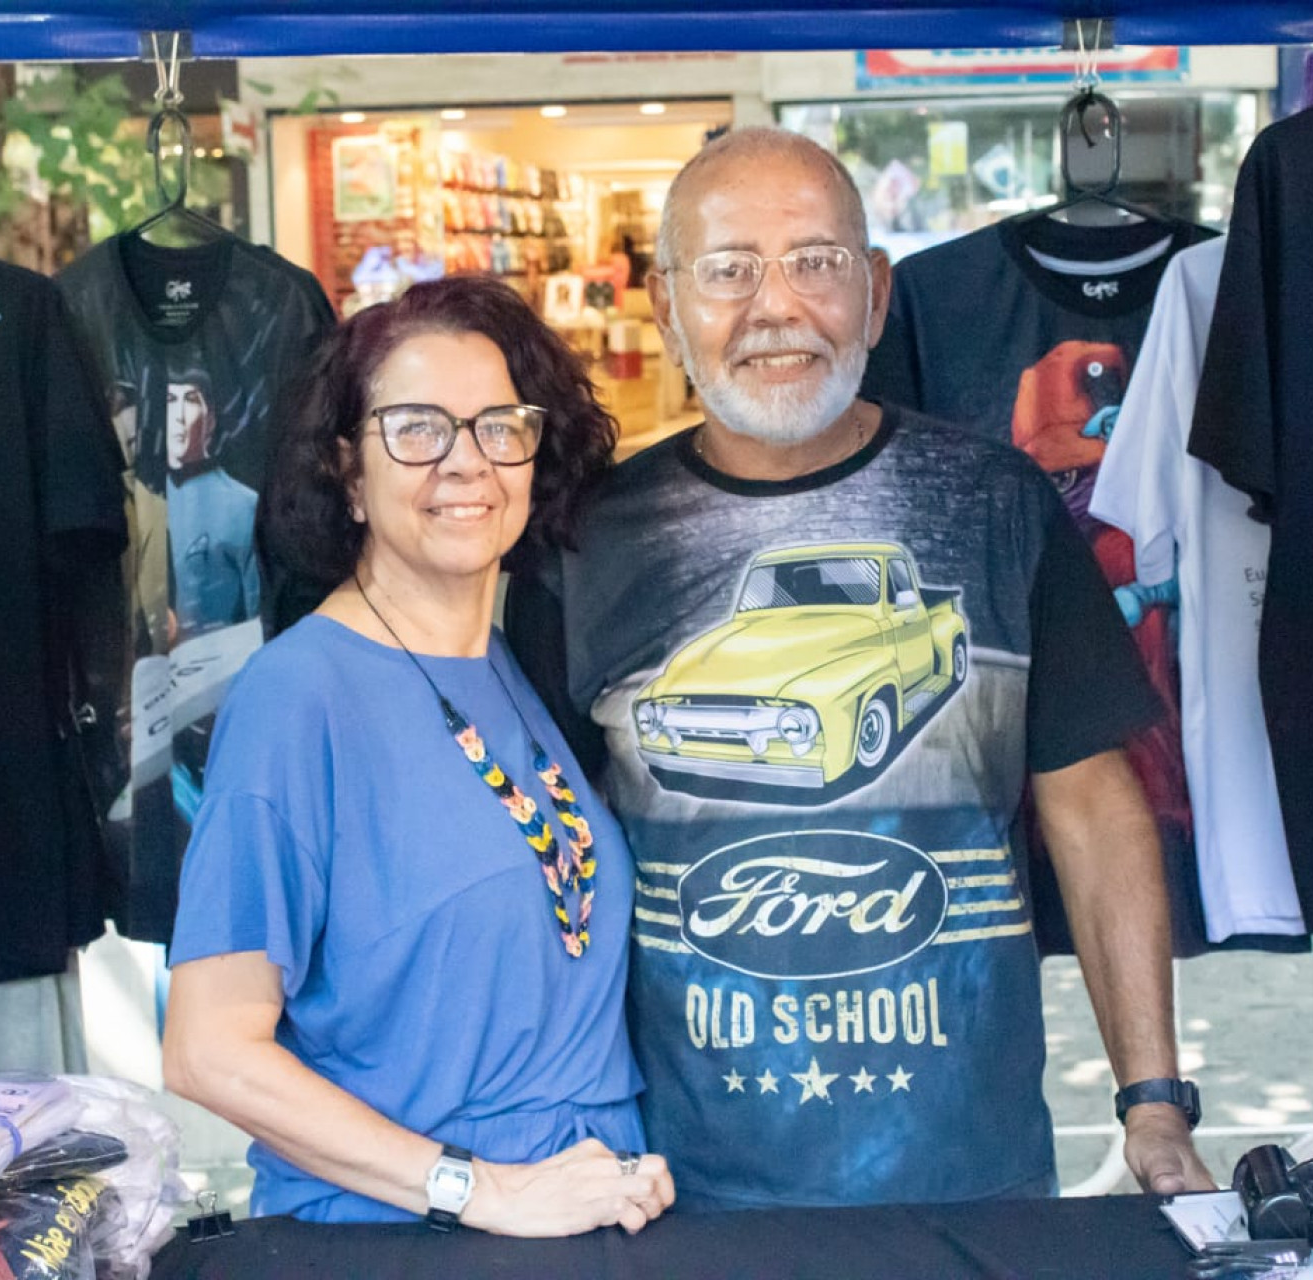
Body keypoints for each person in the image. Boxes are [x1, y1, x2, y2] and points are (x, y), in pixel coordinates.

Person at [506, 128, 1216, 1209]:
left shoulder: (997, 504)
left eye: (816, 262)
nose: (775, 305)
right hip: (669, 1182)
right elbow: (540, 858)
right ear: (666, 305)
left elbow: (1092, 807)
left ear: (877, 295)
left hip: (967, 1173)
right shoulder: (587, 540)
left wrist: (1153, 1101)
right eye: (730, 268)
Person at [162, 275, 677, 1235]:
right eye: (416, 429)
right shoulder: (300, 697)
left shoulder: (504, 663)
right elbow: (207, 1047)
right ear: (348, 476)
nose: (465, 462)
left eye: (498, 426)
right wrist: (478, 1189)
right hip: (397, 1238)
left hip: (575, 1218)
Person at [162, 368, 260, 637]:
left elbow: (260, 618)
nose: (179, 417)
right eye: (170, 401)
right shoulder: (148, 502)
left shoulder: (243, 506)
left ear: (211, 419)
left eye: (191, 400)